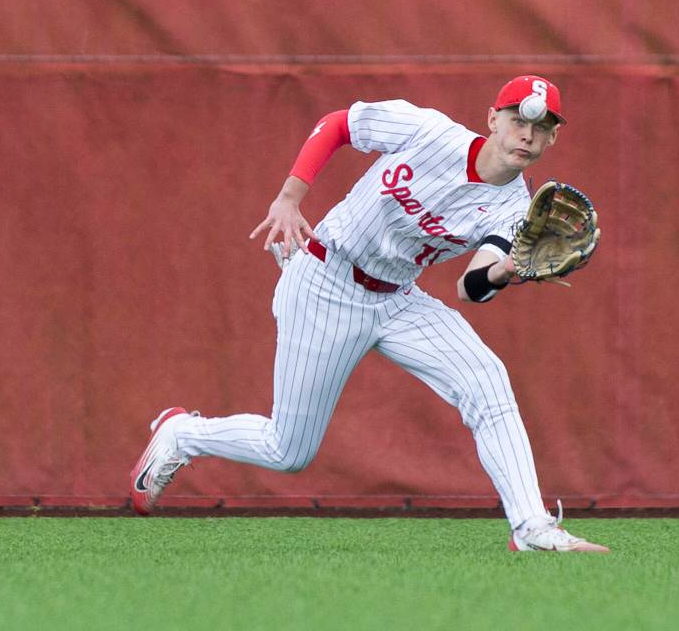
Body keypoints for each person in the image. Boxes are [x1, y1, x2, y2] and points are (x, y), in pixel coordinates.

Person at [130, 75, 608, 553]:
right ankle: (182, 435)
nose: (527, 135)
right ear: (493, 119)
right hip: (325, 279)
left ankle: (531, 528)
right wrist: (290, 196)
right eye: (519, 120)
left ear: (553, 138)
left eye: (542, 127)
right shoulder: (429, 132)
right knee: (288, 450)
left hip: (398, 298)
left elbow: (470, 287)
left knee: (486, 380)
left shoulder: (515, 209)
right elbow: (338, 125)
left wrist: (507, 269)